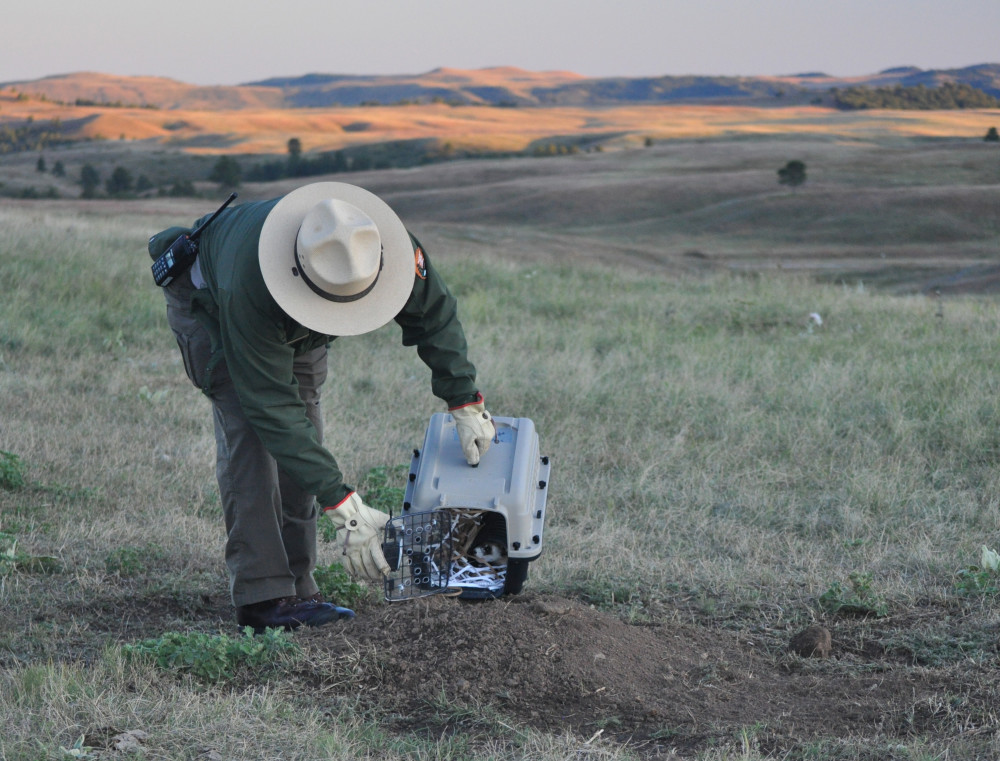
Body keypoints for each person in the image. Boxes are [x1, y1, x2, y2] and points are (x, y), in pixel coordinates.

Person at [148, 182, 496, 632]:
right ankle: (264, 598)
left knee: (306, 424)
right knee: (253, 439)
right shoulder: (246, 284)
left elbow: (434, 314)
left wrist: (464, 399)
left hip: (300, 316)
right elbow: (270, 409)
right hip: (218, 307)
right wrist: (345, 507)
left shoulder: (372, 243)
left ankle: (298, 583)